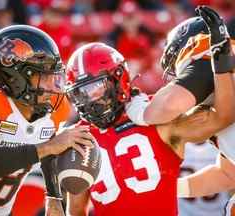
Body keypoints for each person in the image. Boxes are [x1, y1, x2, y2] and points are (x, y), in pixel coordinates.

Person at [61, 6, 234, 214]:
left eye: (96, 88)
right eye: (81, 93)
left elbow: (222, 117)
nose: (90, 100)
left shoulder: (160, 114)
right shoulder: (79, 138)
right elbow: (228, 173)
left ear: (118, 79)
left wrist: (141, 113)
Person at [0, 24, 94, 216]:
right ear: (14, 77)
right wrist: (49, 147)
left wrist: (54, 196)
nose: (53, 86)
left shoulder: (56, 105)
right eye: (43, 76)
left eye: (54, 75)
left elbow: (49, 147)